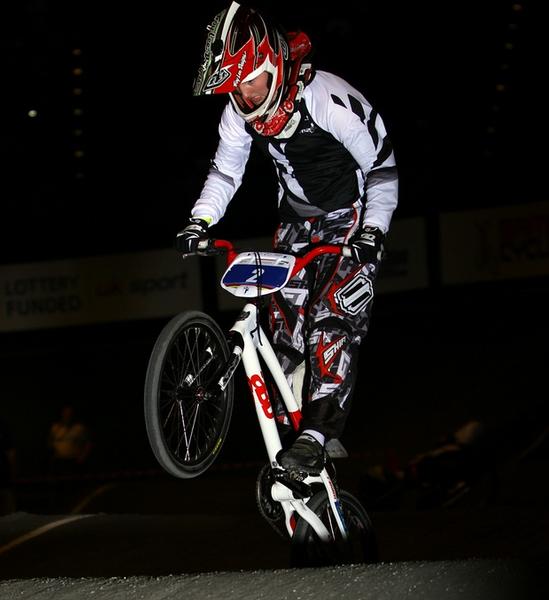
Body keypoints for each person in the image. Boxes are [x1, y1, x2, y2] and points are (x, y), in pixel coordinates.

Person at [176, 1, 398, 474]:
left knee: (330, 321)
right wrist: (199, 222)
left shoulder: (327, 97)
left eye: (248, 79)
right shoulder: (237, 112)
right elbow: (225, 172)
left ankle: (318, 434)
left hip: (351, 219)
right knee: (281, 334)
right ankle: (290, 442)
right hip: (295, 223)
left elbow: (382, 169)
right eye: (233, 85)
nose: (242, 94)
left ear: (273, 65)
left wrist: (374, 232)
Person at [48, 404, 92, 477]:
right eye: (65, 413)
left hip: (73, 460)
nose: (67, 416)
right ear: (62, 414)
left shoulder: (79, 428)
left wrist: (83, 456)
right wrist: (51, 452)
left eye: (69, 413)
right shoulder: (55, 428)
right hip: (59, 460)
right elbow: (50, 441)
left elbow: (88, 443)